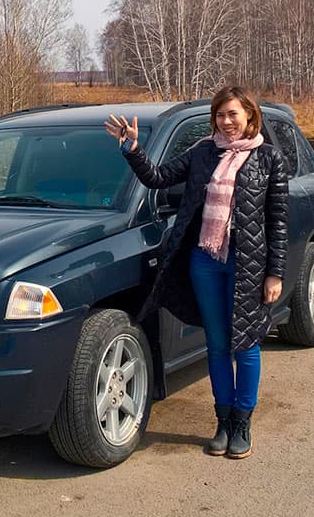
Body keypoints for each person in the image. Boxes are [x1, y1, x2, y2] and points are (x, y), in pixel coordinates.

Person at [105, 86, 287, 459]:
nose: (227, 122)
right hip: (205, 259)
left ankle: (242, 424)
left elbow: (278, 220)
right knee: (218, 345)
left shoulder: (269, 158)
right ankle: (222, 422)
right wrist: (132, 149)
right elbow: (157, 177)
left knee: (246, 344)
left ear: (249, 115)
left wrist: (275, 273)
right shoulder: (203, 152)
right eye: (220, 115)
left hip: (248, 261)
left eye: (233, 114)